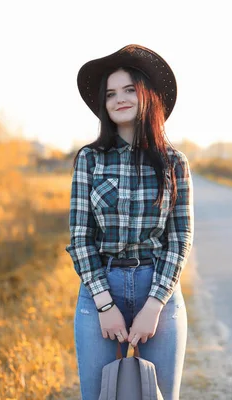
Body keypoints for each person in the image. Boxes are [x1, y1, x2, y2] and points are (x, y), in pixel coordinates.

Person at [66, 44, 194, 400]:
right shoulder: (90, 160)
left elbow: (180, 239)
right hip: (100, 289)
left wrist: (154, 306)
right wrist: (105, 305)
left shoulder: (174, 163)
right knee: (98, 395)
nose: (119, 99)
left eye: (128, 89)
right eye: (110, 93)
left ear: (147, 96)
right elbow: (79, 238)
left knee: (162, 396)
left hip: (160, 288)